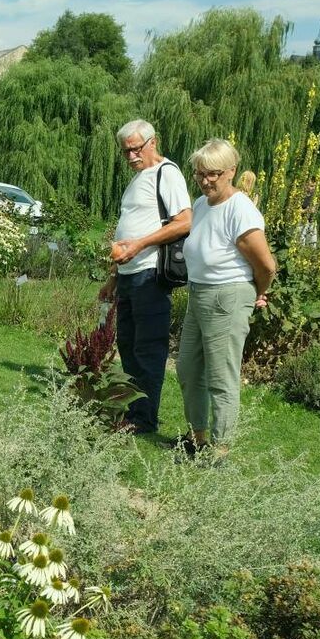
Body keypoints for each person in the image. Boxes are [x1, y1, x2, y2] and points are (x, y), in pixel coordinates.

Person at [174, 138, 277, 458]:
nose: (205, 180)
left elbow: (266, 264)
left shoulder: (240, 208)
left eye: (213, 174)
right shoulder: (202, 205)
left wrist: (259, 292)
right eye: (199, 174)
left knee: (221, 376)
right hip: (199, 294)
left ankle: (220, 450)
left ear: (231, 171)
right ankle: (198, 438)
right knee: (188, 369)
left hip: (228, 296)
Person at [98, 119, 192, 436]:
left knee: (148, 349)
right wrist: (113, 276)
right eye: (125, 152)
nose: (130, 157)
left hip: (150, 274)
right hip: (128, 275)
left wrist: (138, 245)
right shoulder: (138, 179)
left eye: (135, 149)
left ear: (152, 142)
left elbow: (184, 222)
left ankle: (145, 419)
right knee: (127, 345)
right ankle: (133, 410)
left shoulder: (168, 173)